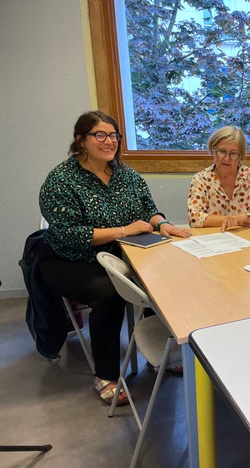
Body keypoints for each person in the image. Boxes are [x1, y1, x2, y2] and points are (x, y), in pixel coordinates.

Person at [38, 111, 191, 406]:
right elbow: (70, 234)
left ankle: (162, 354)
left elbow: (148, 208)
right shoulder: (61, 180)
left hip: (120, 254)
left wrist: (162, 224)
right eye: (100, 135)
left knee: (158, 278)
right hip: (69, 260)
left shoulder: (125, 174)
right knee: (109, 295)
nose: (109, 141)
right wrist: (124, 230)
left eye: (113, 135)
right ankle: (105, 375)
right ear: (81, 140)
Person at [187, 126, 250, 231]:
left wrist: (243, 218)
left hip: (246, 236)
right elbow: (194, 218)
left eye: (233, 154)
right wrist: (235, 221)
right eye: (222, 151)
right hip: (213, 237)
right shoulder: (200, 179)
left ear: (241, 156)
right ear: (213, 151)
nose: (226, 159)